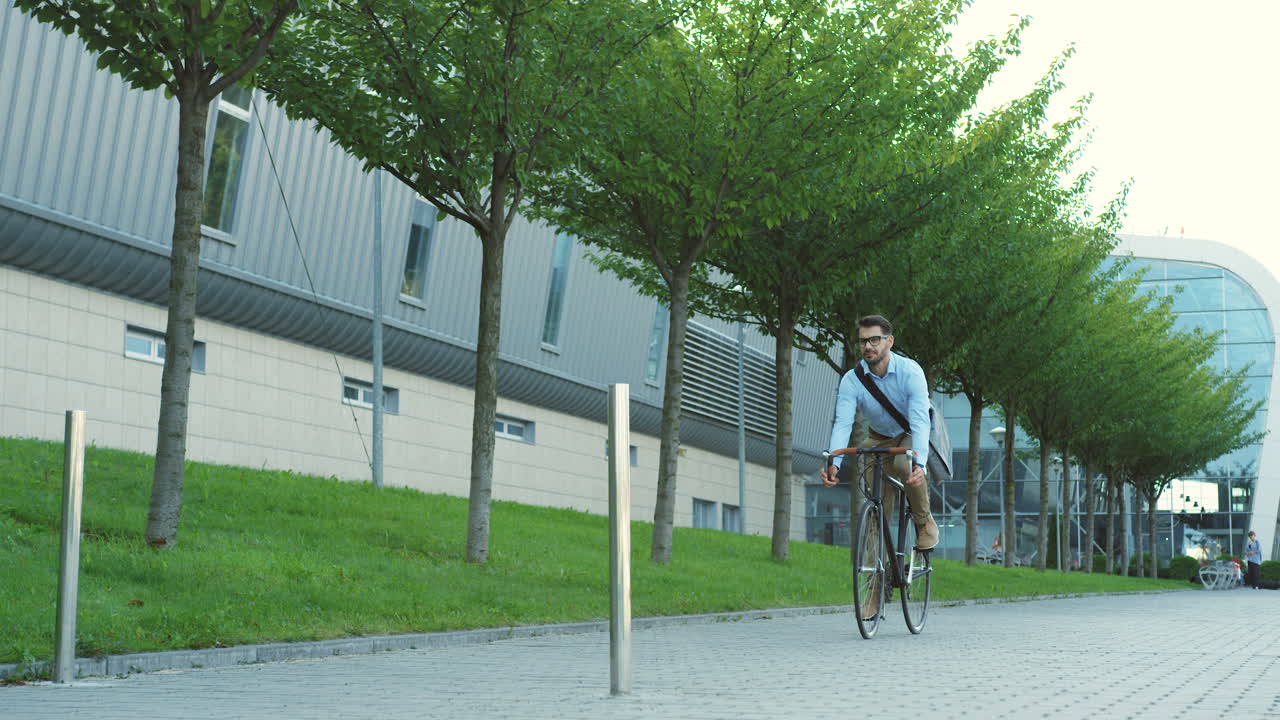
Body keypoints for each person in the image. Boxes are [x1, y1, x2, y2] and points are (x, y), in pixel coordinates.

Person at [821, 314, 938, 551]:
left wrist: (920, 464)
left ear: (890, 341)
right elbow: (843, 423)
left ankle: (924, 521)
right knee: (875, 507)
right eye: (863, 341)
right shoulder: (852, 380)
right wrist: (834, 461)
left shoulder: (910, 372)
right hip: (878, 436)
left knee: (904, 464)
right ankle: (876, 576)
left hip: (909, 432)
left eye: (875, 340)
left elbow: (919, 421)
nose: (868, 346)